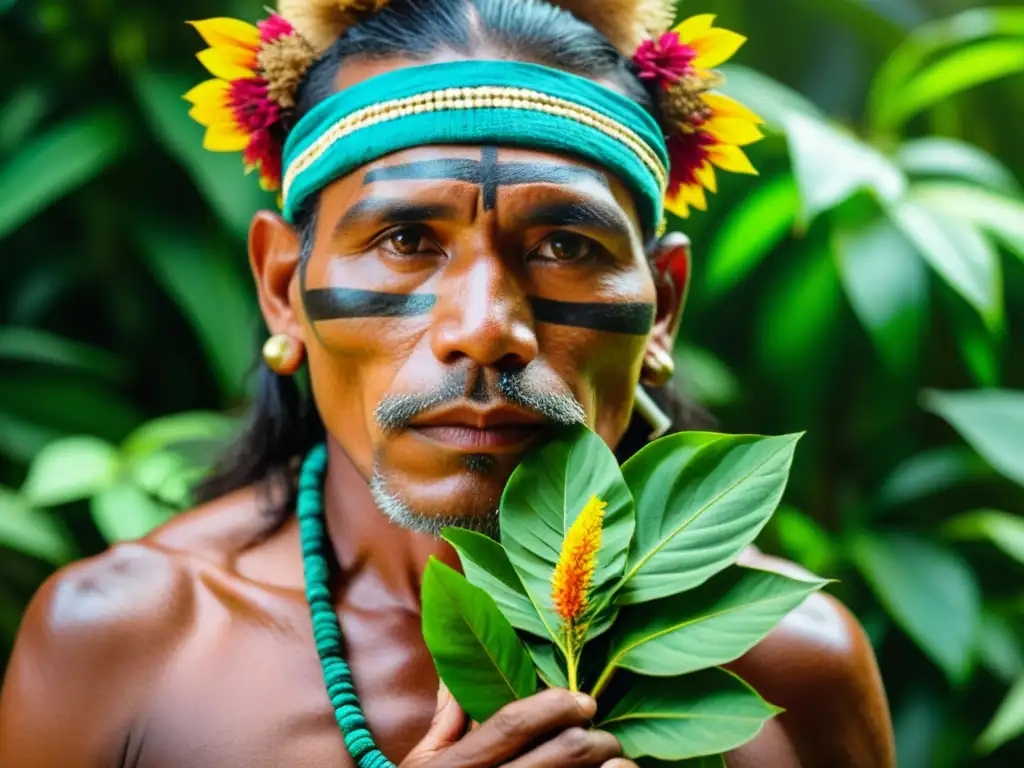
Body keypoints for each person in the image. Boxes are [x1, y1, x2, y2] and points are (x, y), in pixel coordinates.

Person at [0, 1, 896, 766]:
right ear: (282, 289)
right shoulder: (125, 649)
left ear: (661, 305)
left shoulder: (791, 671)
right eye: (405, 241)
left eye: (566, 247)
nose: (484, 329)